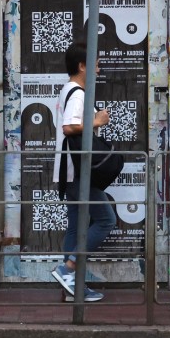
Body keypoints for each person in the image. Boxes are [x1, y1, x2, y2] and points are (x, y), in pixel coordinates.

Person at [50, 42, 115, 304]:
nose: (98, 69)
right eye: (95, 64)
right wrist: (98, 120)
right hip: (78, 171)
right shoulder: (77, 93)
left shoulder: (67, 90)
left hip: (68, 170)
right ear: (82, 66)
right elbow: (69, 127)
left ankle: (71, 288)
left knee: (76, 228)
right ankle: (67, 270)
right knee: (106, 220)